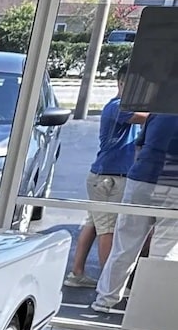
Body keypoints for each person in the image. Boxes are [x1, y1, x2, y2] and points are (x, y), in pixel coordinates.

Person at [65, 66, 144, 288]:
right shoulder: (118, 107)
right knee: (107, 229)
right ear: (121, 84)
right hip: (109, 179)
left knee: (93, 224)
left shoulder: (120, 107)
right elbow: (146, 118)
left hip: (103, 177)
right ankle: (109, 284)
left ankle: (77, 273)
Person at [93, 111, 178, 314]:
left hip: (142, 178)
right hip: (174, 182)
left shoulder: (160, 112)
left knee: (125, 245)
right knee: (164, 250)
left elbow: (139, 146)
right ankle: (151, 308)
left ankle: (105, 300)